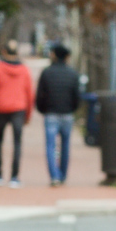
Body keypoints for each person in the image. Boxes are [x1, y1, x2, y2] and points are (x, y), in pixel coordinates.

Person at [0, 38, 34, 186]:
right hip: (19, 109)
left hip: (0, 108)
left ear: (4, 51)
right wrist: (28, 114)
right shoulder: (24, 70)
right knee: (17, 143)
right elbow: (30, 94)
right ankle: (14, 177)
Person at [35, 41, 81, 187]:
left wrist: (43, 110)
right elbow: (77, 96)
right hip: (67, 114)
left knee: (50, 146)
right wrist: (72, 109)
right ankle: (63, 174)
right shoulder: (73, 74)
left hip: (51, 114)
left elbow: (40, 95)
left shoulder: (47, 72)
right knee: (66, 146)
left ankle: (54, 176)